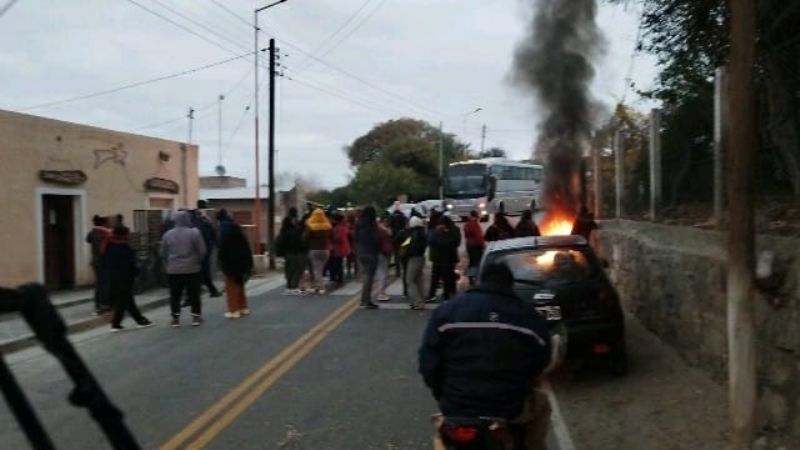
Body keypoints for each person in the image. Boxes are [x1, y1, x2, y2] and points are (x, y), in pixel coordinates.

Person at [419, 263, 552, 450]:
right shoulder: (528, 316)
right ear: (509, 285)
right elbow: (540, 362)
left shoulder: (446, 311)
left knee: (442, 437)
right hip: (509, 408)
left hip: (457, 405)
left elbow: (428, 363)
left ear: (479, 281)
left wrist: (444, 394)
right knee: (542, 405)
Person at [161, 210, 207, 327]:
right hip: (192, 268)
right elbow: (202, 251)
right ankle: (196, 317)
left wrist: (168, 264)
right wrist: (198, 261)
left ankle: (175, 318)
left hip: (173, 269)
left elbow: (163, 253)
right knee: (194, 293)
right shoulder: (194, 233)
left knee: (175, 294)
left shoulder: (167, 234)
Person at [102, 225, 152, 331]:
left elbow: (105, 263)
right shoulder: (123, 248)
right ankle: (139, 320)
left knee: (125, 300)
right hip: (124, 278)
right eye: (127, 234)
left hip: (113, 278)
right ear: (123, 235)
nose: (128, 236)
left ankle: (117, 323)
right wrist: (137, 273)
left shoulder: (109, 246)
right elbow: (131, 265)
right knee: (125, 300)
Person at [217, 209, 254, 319]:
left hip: (230, 263)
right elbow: (246, 247)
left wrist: (220, 261)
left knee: (230, 286)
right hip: (242, 262)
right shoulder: (237, 229)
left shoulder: (223, 231)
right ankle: (243, 307)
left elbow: (222, 249)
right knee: (240, 284)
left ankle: (234, 310)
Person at [427, 215, 461, 302]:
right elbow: (431, 241)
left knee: (444, 277)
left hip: (445, 257)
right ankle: (447, 293)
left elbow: (452, 242)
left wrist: (441, 233)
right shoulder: (447, 230)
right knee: (444, 277)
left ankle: (444, 294)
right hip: (444, 257)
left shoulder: (452, 230)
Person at [191, 203, 222, 298]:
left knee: (199, 272)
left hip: (197, 251)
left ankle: (200, 292)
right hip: (204, 250)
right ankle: (211, 290)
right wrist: (216, 244)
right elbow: (213, 234)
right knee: (203, 271)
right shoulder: (204, 222)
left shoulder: (193, 223)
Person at [277, 207, 308, 295]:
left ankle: (289, 286)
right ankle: (294, 286)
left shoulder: (285, 227)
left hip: (288, 251)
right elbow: (300, 238)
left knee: (289, 269)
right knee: (297, 269)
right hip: (296, 251)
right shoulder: (296, 227)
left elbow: (281, 239)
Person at [355, 206, 380, 309]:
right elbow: (376, 240)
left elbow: (355, 238)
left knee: (366, 276)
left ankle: (363, 300)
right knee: (369, 278)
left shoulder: (360, 224)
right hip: (371, 253)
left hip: (361, 252)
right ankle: (366, 300)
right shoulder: (372, 225)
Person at [86, 215, 112, 315]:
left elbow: (87, 240)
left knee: (99, 284)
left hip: (95, 261)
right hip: (104, 262)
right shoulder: (105, 233)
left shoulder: (92, 233)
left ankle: (98, 306)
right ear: (103, 224)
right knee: (105, 284)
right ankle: (104, 305)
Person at [304, 208, 333, 295]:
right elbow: (332, 236)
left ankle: (321, 287)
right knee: (320, 268)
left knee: (317, 269)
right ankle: (318, 286)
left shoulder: (310, 226)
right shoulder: (327, 226)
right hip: (325, 250)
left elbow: (305, 237)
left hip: (314, 249)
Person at [404, 216, 428, 310]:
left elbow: (408, 246)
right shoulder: (422, 233)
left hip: (413, 258)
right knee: (418, 280)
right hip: (421, 257)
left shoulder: (413, 234)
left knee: (410, 280)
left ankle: (416, 302)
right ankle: (421, 300)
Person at [462, 210, 485, 287]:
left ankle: (470, 278)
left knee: (472, 262)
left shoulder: (467, 224)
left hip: (469, 245)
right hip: (476, 246)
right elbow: (479, 237)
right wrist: (482, 245)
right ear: (475, 217)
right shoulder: (475, 224)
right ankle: (477, 278)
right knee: (478, 263)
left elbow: (467, 234)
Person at [375, 216, 394, 301]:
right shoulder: (383, 230)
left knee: (383, 273)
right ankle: (381, 293)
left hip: (382, 252)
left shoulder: (381, 229)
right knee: (383, 273)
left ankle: (382, 291)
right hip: (383, 252)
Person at [330, 213, 351, 285]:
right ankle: (339, 277)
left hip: (338, 248)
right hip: (340, 248)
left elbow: (338, 238)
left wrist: (332, 237)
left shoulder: (339, 228)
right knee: (338, 262)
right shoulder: (343, 227)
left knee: (337, 263)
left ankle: (339, 277)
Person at [389, 206, 408, 277]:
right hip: (403, 237)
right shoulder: (403, 217)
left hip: (394, 237)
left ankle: (398, 271)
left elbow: (390, 226)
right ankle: (404, 268)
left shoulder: (391, 217)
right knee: (403, 253)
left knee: (396, 255)